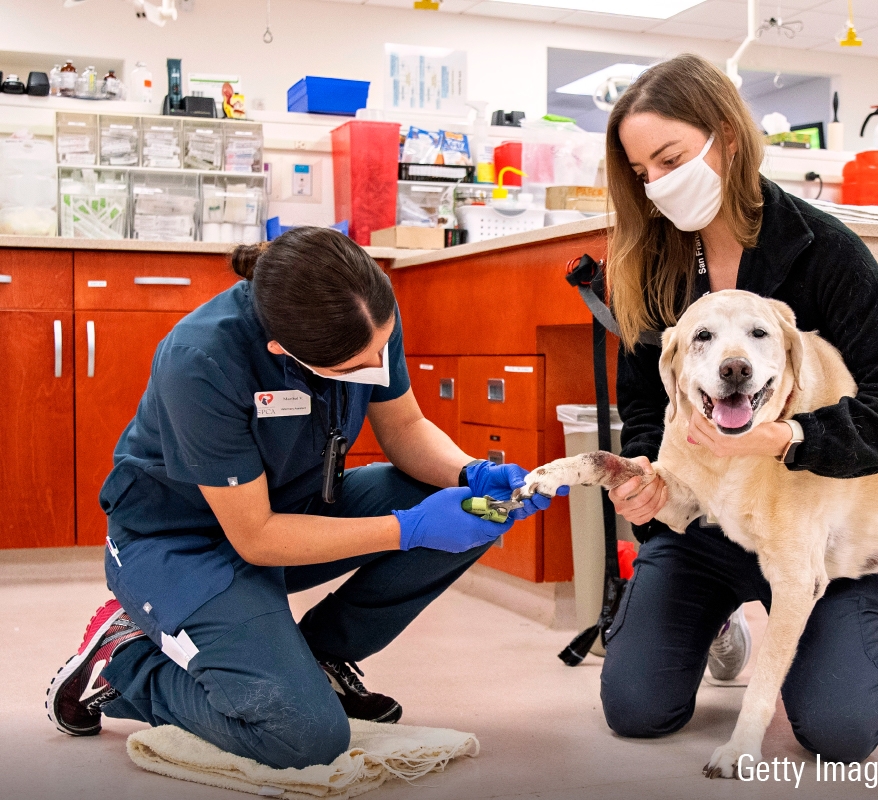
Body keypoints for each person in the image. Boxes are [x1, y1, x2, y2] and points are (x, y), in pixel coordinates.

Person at [47, 228, 559, 769]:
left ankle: (318, 659)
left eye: (380, 351)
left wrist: (469, 472)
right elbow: (256, 537)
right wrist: (408, 528)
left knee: (466, 506)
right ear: (280, 350)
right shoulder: (201, 358)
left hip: (291, 508)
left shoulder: (363, 310)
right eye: (351, 369)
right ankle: (126, 662)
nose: (374, 366)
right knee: (303, 738)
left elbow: (405, 425)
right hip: (181, 543)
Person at [598, 55, 878, 763]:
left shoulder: (829, 256)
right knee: (636, 711)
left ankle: (823, 619)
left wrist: (791, 436)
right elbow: (644, 409)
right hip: (703, 534)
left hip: (814, 534)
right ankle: (721, 624)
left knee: (840, 734)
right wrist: (650, 481)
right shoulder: (648, 269)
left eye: (671, 158)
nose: (658, 183)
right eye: (642, 171)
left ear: (726, 136)